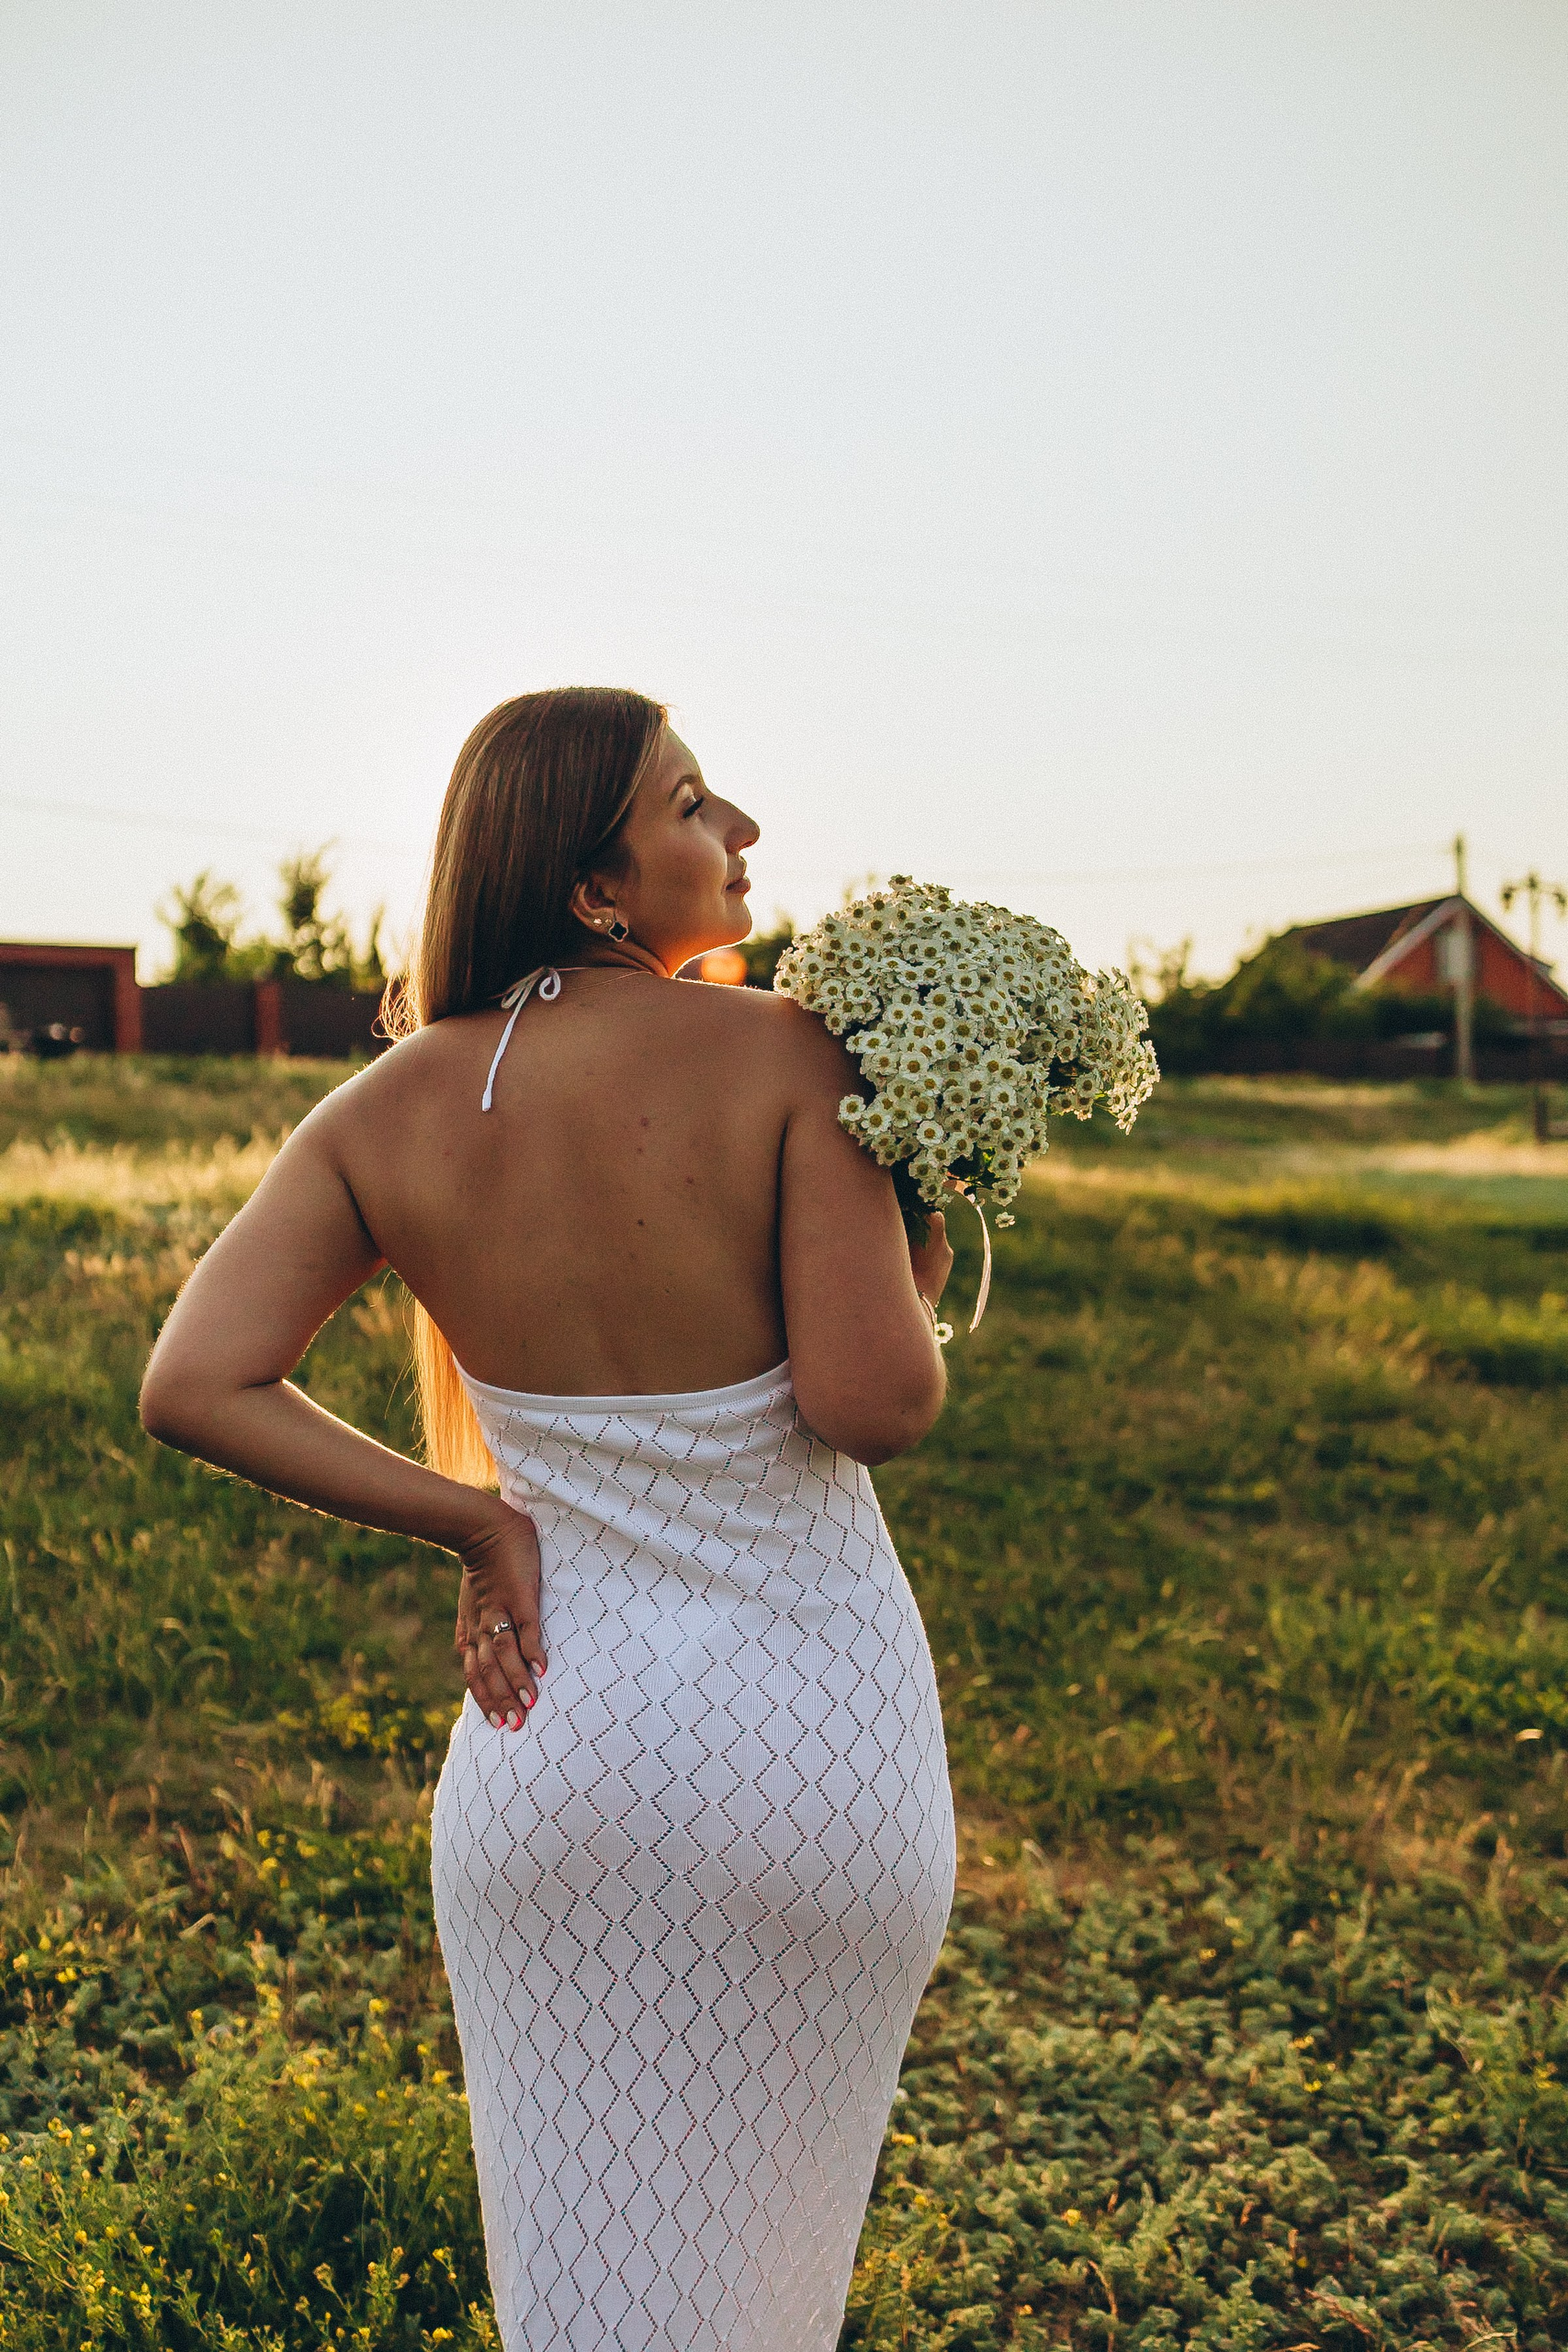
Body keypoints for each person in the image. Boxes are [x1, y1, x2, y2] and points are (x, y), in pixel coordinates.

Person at [140, 686, 958, 2352]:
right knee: (762, 2293)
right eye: (693, 805)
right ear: (594, 885)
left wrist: (477, 1524)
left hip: (559, 1753)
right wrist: (922, 1231)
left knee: (585, 2295)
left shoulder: (384, 1109)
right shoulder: (793, 1051)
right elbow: (874, 1403)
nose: (741, 832)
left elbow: (196, 1382)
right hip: (814, 1745)